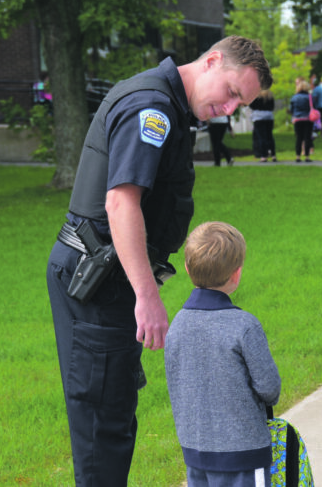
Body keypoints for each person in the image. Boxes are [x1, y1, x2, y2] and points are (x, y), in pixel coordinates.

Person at [46, 35, 271, 487]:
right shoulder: (152, 108)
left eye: (241, 104)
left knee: (115, 414)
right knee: (101, 428)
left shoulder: (168, 105)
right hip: (98, 283)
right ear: (211, 61)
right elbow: (120, 203)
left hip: (109, 279)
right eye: (231, 93)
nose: (230, 109)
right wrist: (147, 295)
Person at [165, 221, 281, 487]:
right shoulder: (245, 326)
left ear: (186, 268)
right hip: (244, 455)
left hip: (195, 452)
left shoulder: (177, 325)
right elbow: (270, 389)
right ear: (236, 274)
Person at [291, 78, 315, 162]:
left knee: (299, 138)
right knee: (307, 138)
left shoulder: (294, 97)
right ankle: (307, 157)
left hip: (298, 120)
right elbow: (313, 107)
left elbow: (292, 109)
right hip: (308, 119)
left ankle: (298, 156)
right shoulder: (309, 97)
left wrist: (293, 117)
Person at [249, 89, 277, 162]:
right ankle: (273, 155)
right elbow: (272, 106)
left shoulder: (256, 96)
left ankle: (264, 156)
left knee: (261, 137)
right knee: (269, 136)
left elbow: (252, 106)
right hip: (269, 117)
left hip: (258, 117)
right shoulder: (269, 96)